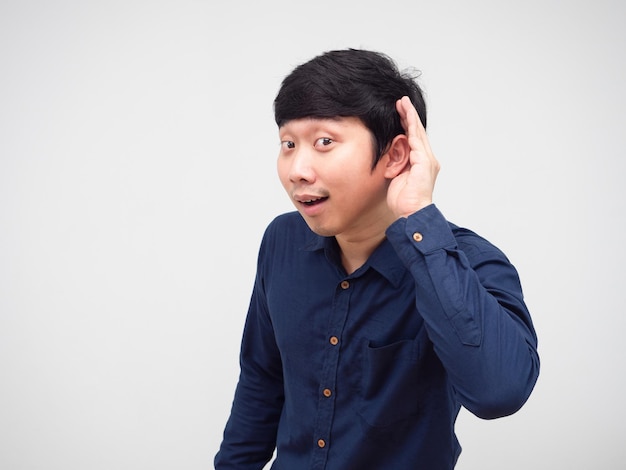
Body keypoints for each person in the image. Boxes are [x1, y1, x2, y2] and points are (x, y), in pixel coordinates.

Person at [214, 48, 539, 469]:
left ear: (396, 154)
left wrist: (420, 217)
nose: (297, 169)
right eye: (288, 144)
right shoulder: (282, 239)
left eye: (324, 142)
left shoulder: (467, 262)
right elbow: (261, 379)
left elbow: (500, 393)